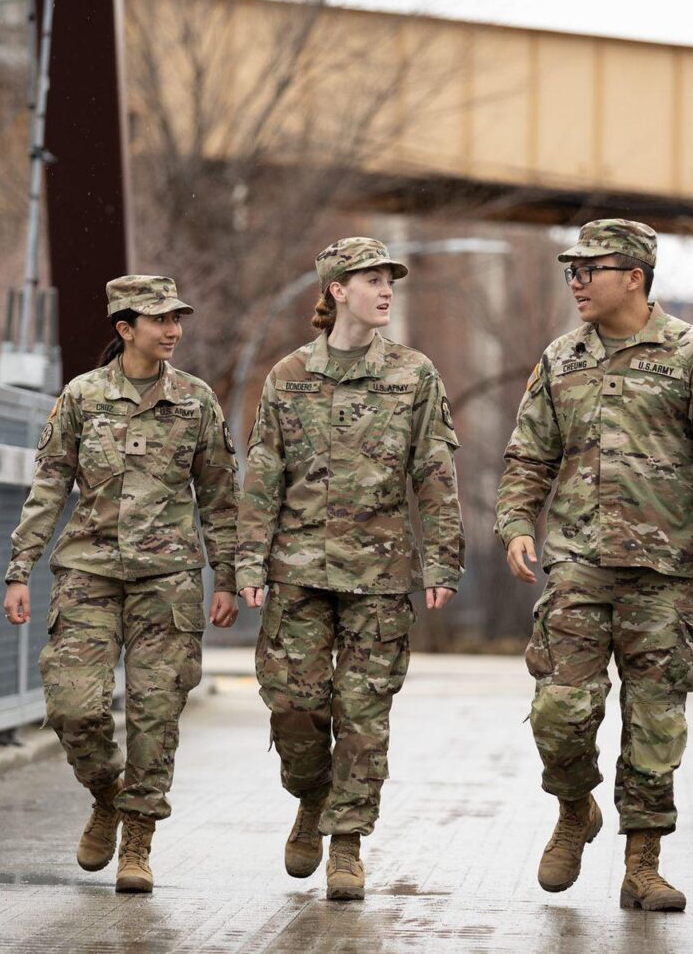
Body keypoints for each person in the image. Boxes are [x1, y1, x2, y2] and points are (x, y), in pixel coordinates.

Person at [495, 219, 693, 911]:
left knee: (655, 722)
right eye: (569, 271)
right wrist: (517, 522)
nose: (575, 282)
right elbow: (529, 454)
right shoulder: (560, 360)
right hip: (578, 564)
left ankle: (643, 865)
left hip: (664, 572)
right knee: (560, 711)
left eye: (590, 270)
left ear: (633, 277)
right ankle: (574, 810)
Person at [237, 236, 465, 901]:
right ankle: (310, 796)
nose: (386, 289)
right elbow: (264, 477)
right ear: (337, 290)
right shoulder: (288, 377)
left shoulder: (414, 374)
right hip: (299, 573)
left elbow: (434, 472)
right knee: (294, 710)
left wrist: (443, 557)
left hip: (382, 575)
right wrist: (249, 558)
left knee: (364, 716)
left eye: (390, 279)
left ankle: (346, 845)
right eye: (371, 278)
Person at [2, 274, 238, 895]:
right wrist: (20, 568)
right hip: (88, 573)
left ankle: (137, 839)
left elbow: (219, 496)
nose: (172, 330)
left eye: (176, 318)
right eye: (159, 320)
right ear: (124, 329)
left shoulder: (196, 401)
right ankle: (108, 794)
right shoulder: (81, 398)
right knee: (73, 707)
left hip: (169, 580)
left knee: (157, 714)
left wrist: (229, 579)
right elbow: (49, 485)